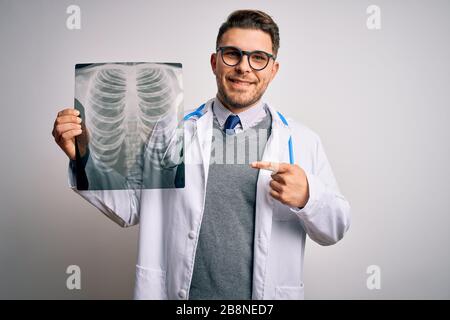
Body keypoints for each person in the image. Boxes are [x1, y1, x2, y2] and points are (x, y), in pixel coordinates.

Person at [51, 9, 351, 300]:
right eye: (232, 54)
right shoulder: (169, 132)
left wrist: (309, 196)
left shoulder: (301, 141)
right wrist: (82, 157)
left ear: (273, 70)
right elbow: (130, 207)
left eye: (258, 58)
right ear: (215, 62)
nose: (244, 67)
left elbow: (334, 228)